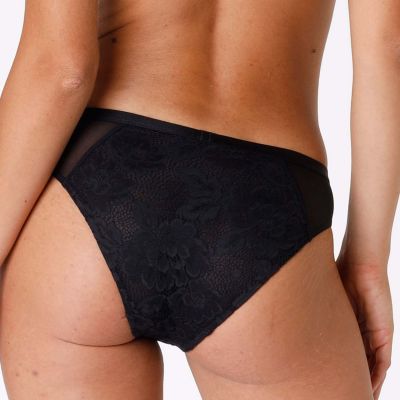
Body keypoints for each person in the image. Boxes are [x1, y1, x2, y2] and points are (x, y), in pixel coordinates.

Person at [0, 0, 398, 399]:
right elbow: (388, 50)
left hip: (91, 196)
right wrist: (367, 263)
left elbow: (61, 70)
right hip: (266, 203)